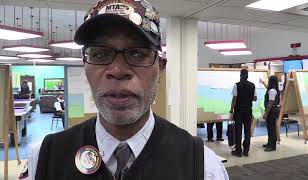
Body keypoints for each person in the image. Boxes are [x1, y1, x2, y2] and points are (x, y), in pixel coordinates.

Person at [25, 0, 229, 180]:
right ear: (84, 66)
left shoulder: (202, 166)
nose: (118, 70)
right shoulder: (45, 158)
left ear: (160, 68)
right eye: (100, 54)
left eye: (138, 54)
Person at [230, 69, 257, 157]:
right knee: (247, 131)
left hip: (238, 111)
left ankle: (238, 151)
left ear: (240, 76)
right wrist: (248, 98)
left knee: (238, 131)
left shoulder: (236, 85)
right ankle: (246, 151)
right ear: (247, 76)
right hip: (248, 111)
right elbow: (255, 98)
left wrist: (231, 110)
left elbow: (234, 99)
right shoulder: (252, 85)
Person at [260, 76, 280, 152]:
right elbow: (267, 87)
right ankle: (269, 143)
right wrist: (263, 82)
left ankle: (272, 146)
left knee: (271, 128)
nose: (268, 81)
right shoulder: (273, 89)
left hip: (272, 111)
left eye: (269, 80)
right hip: (273, 111)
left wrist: (266, 113)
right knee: (270, 128)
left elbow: (270, 103)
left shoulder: (272, 90)